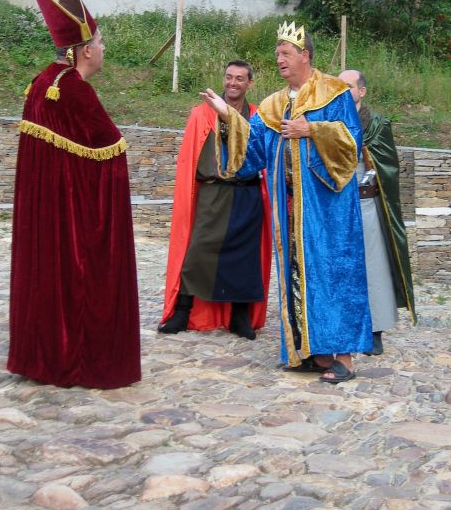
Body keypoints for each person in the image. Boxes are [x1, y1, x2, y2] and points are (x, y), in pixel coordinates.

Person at [201, 21, 373, 383]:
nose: (279, 59)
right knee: (298, 274)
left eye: (285, 53)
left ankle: (345, 357)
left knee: (332, 272)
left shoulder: (334, 92)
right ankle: (311, 353)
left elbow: (351, 140)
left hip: (327, 208)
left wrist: (312, 129)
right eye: (277, 53)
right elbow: (255, 148)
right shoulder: (274, 103)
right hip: (290, 207)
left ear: (305, 55)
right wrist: (228, 117)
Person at [7, 0, 141, 388]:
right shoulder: (74, 91)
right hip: (70, 221)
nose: (103, 52)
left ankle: (39, 353)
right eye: (100, 45)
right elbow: (110, 152)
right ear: (84, 50)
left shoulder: (45, 81)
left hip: (44, 215)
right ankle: (82, 356)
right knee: (76, 276)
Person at [159, 60, 272, 340]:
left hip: (246, 192)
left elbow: (264, 153)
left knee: (246, 257)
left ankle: (240, 316)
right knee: (197, 249)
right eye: (229, 77)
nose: (233, 82)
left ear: (250, 84)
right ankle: (183, 311)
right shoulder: (202, 113)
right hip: (213, 191)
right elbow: (191, 156)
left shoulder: (257, 116)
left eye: (240, 78)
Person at [339, 70, 416, 354]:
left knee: (374, 266)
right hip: (337, 207)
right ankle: (344, 326)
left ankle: (375, 330)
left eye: (348, 87)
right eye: (339, 87)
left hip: (366, 203)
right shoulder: (328, 122)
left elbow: (387, 166)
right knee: (341, 268)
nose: (343, 91)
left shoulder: (377, 124)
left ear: (362, 91)